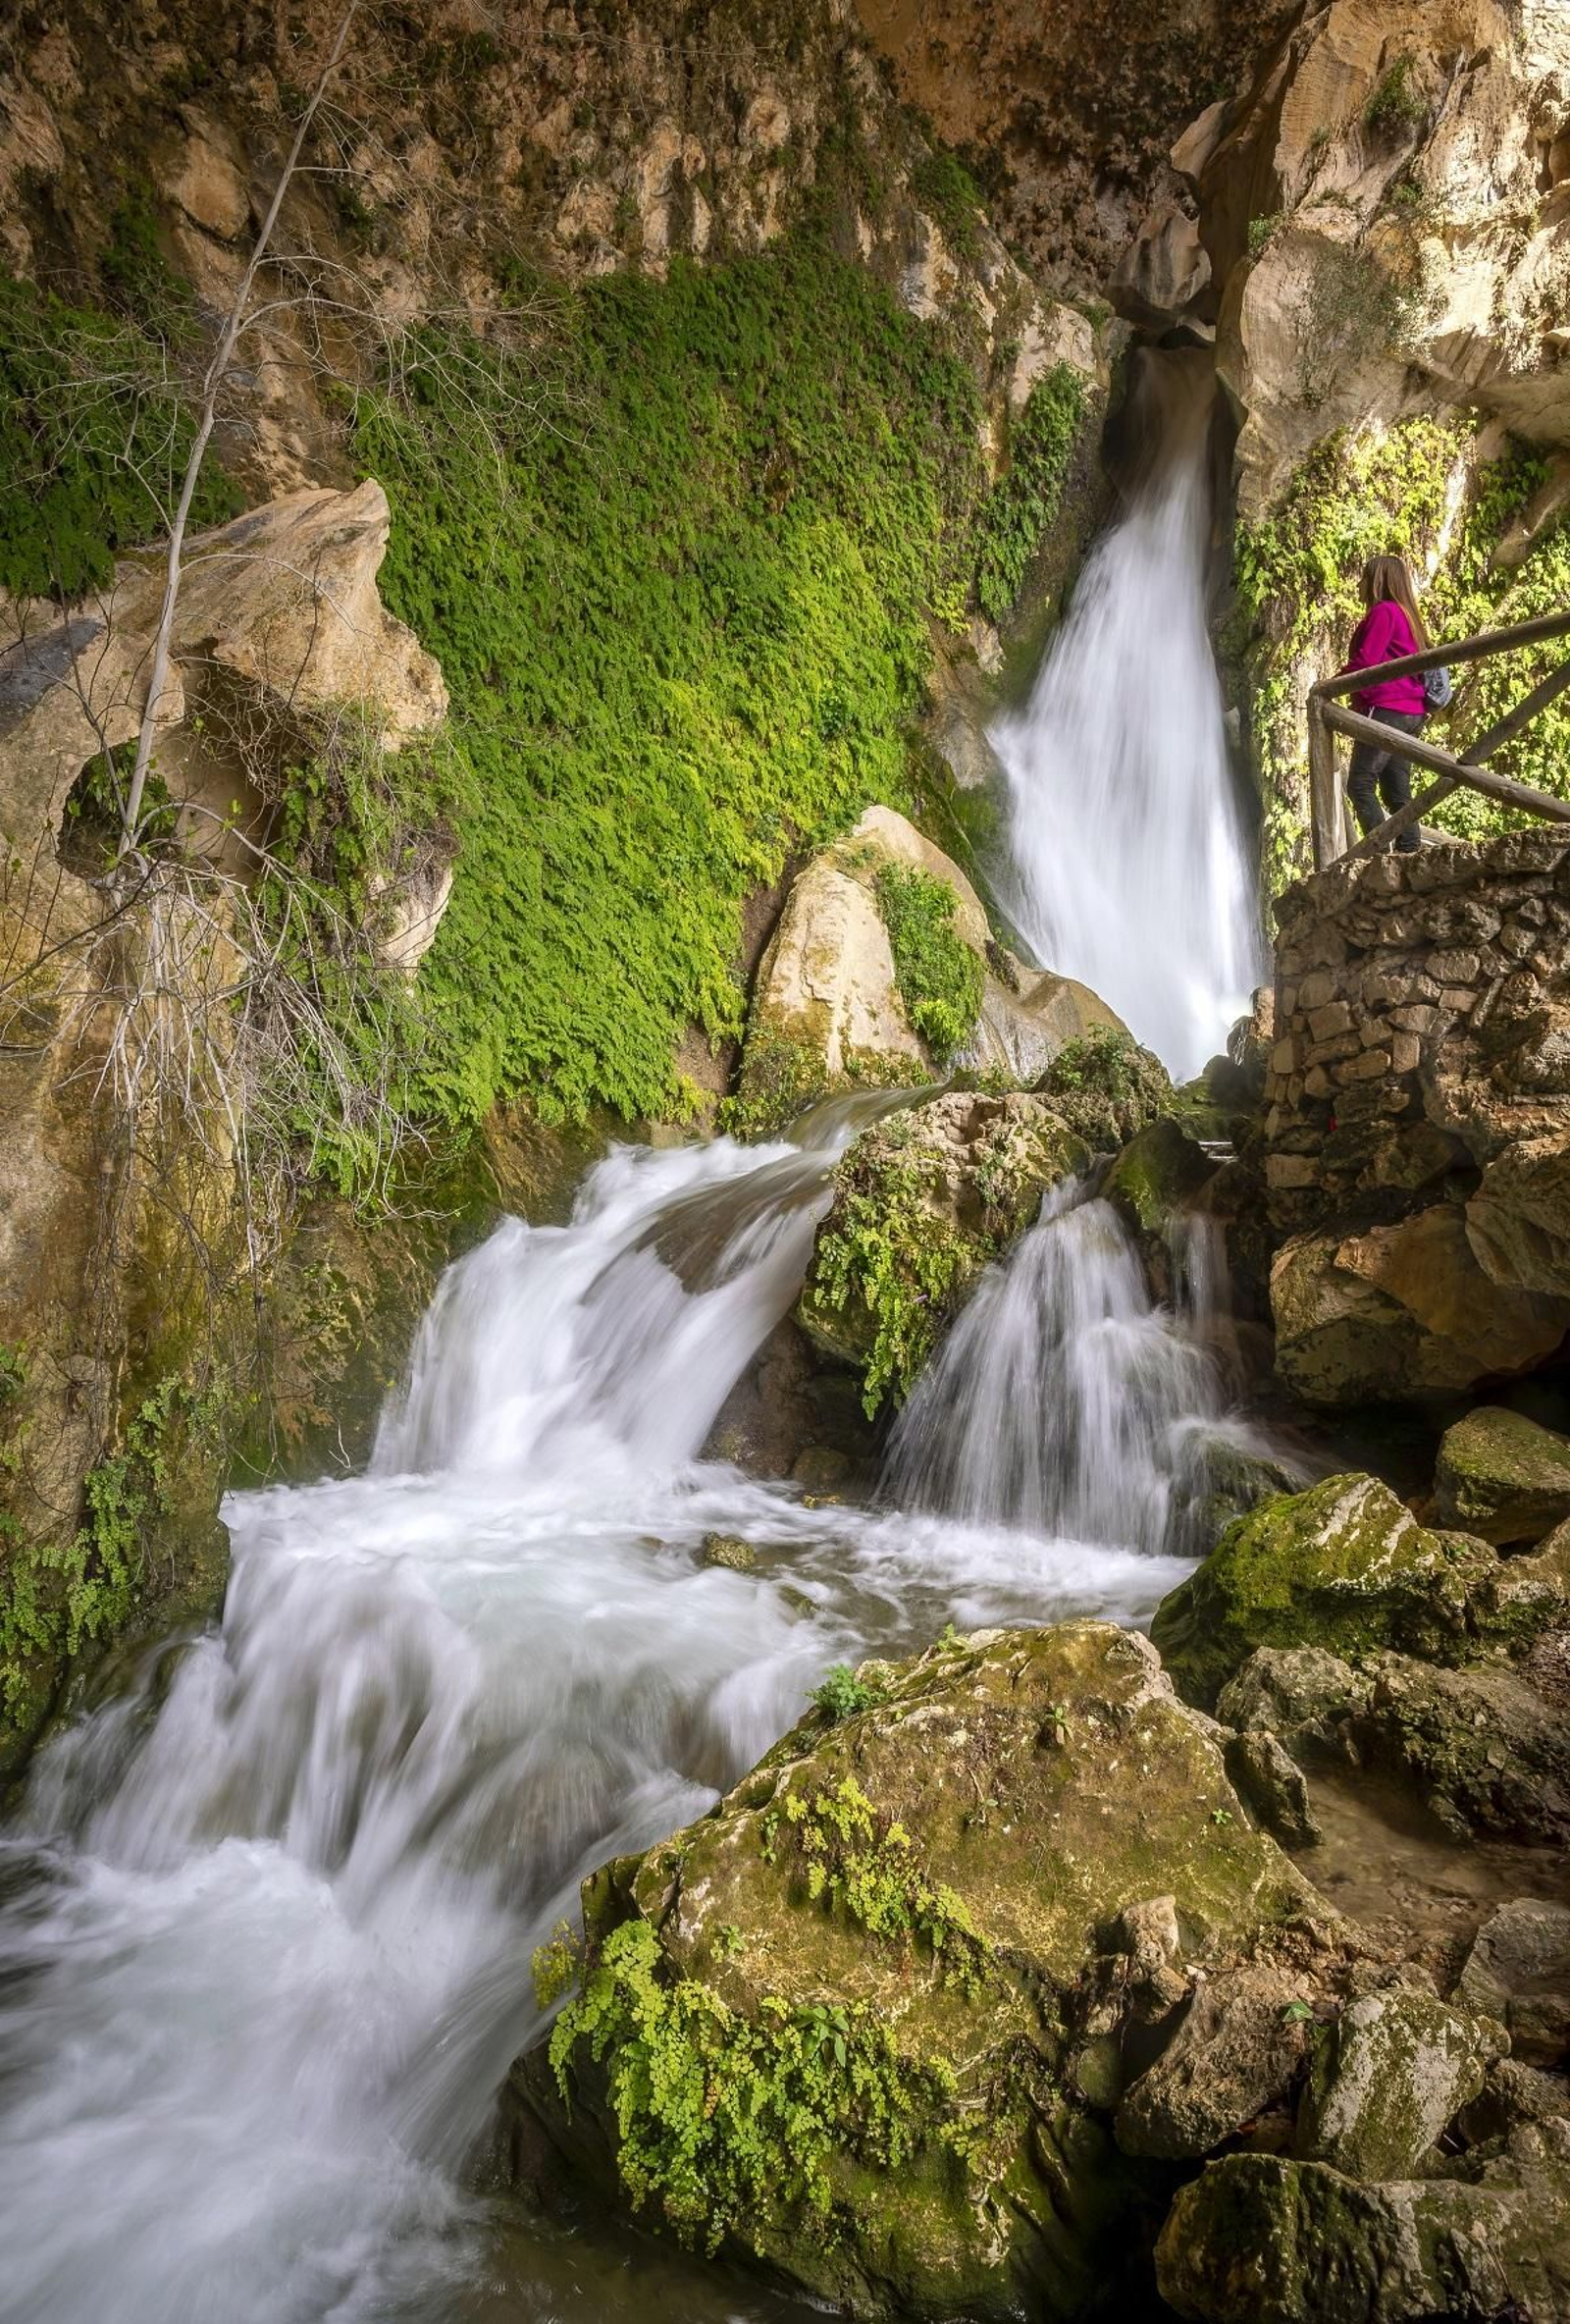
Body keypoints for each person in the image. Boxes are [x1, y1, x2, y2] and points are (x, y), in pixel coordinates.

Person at [1339, 553, 1430, 853]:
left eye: (1364, 576)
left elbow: (1367, 662)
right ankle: (1410, 853)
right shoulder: (1408, 616)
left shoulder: (1385, 613)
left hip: (1388, 708)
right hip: (1411, 711)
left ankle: (1379, 854)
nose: (1359, 583)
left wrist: (1328, 684)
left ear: (1378, 580)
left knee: (1360, 784)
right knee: (1396, 789)